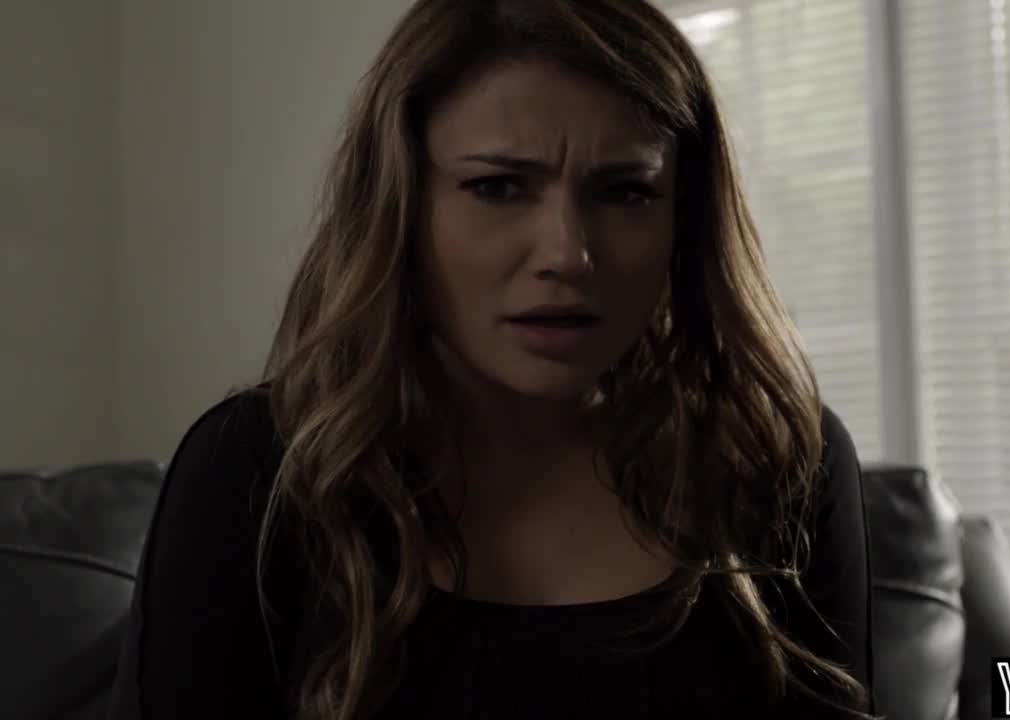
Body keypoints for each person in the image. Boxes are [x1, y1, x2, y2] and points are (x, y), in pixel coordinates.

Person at [107, 1, 876, 718]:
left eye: (625, 192)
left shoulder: (772, 466)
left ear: (684, 220)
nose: (566, 254)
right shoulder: (262, 477)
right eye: (499, 187)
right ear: (401, 207)